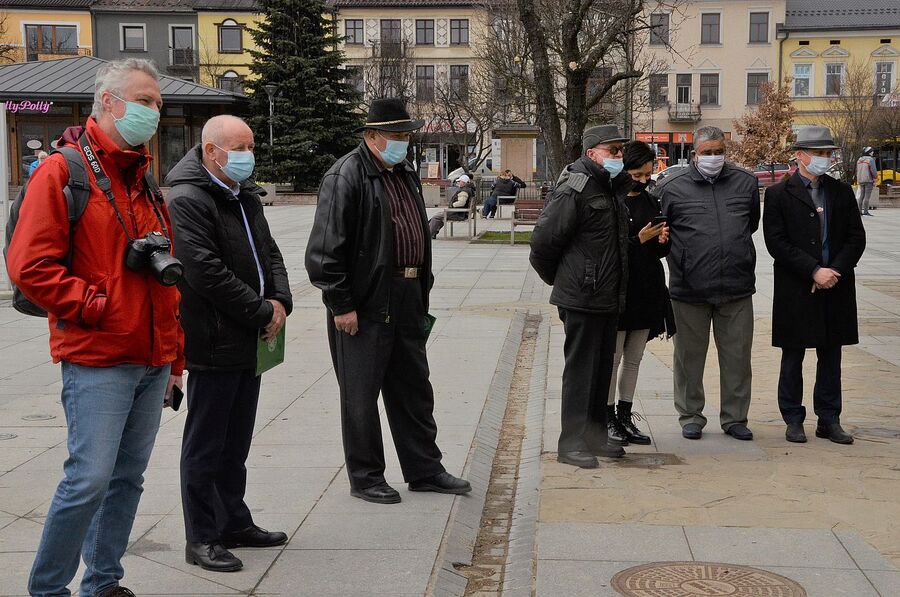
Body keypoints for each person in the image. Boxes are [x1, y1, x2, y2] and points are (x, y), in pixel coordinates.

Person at [6, 58, 183, 597]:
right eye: (146, 101)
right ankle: (49, 590)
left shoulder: (144, 179)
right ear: (109, 102)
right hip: (98, 356)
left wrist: (175, 360)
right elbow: (28, 265)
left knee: (127, 480)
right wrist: (94, 303)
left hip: (152, 359)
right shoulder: (63, 172)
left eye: (157, 103)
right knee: (87, 481)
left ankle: (104, 582)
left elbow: (167, 275)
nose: (155, 111)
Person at [306, 98, 470, 504]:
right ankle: (366, 477)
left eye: (406, 136)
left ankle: (425, 469)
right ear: (371, 136)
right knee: (361, 394)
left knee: (414, 387)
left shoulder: (403, 173)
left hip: (409, 295)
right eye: (397, 136)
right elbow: (325, 250)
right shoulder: (347, 175)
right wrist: (341, 303)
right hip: (365, 301)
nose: (404, 143)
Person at [165, 115, 293, 572]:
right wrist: (261, 311)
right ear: (211, 151)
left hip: (249, 337)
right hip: (214, 337)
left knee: (235, 439)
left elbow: (269, 251)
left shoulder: (244, 193)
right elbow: (202, 271)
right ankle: (201, 537)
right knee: (206, 444)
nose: (248, 155)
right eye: (239, 147)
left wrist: (280, 299)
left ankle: (233, 521)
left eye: (251, 146)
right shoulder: (187, 197)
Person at [529, 124, 630, 469]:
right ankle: (570, 443)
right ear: (592, 154)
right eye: (613, 150)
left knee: (601, 371)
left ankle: (594, 437)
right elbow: (543, 241)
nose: (619, 156)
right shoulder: (575, 188)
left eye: (620, 150)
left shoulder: (612, 186)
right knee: (580, 373)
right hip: (582, 297)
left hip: (606, 295)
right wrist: (562, 281)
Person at [654, 126, 760, 442]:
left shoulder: (745, 183)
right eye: (707, 152)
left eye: (719, 152)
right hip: (689, 289)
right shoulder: (672, 187)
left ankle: (735, 417)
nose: (713, 158)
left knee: (738, 357)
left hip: (736, 286)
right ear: (694, 154)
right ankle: (690, 415)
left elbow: (750, 225)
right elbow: (663, 230)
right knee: (688, 357)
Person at [763, 126, 866, 445]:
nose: (825, 159)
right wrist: (813, 271)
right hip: (797, 287)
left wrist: (833, 269)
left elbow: (856, 238)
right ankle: (793, 417)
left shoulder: (841, 192)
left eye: (828, 153)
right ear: (800, 155)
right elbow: (776, 242)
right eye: (819, 153)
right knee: (793, 355)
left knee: (831, 355)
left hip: (835, 284)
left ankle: (829, 418)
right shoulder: (779, 194)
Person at [606, 140, 673, 447]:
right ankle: (607, 418)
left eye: (648, 175)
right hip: (620, 291)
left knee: (634, 357)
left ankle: (625, 413)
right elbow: (611, 251)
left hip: (648, 288)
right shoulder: (612, 201)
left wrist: (663, 240)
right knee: (613, 357)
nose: (643, 181)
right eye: (638, 174)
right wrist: (639, 239)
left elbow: (663, 251)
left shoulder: (651, 200)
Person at [428, 174, 475, 238]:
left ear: (463, 182)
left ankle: (429, 234)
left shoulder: (464, 191)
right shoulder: (468, 189)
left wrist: (452, 205)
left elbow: (461, 203)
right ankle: (433, 232)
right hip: (460, 213)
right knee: (440, 216)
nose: (458, 183)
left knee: (436, 217)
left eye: (459, 181)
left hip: (458, 213)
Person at [856, 147, 877, 216]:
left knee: (861, 195)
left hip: (860, 180)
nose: (873, 152)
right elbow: (873, 170)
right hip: (868, 180)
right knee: (867, 196)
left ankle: (859, 211)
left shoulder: (859, 160)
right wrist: (875, 178)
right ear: (869, 152)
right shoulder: (870, 160)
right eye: (872, 151)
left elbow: (857, 170)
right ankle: (865, 211)